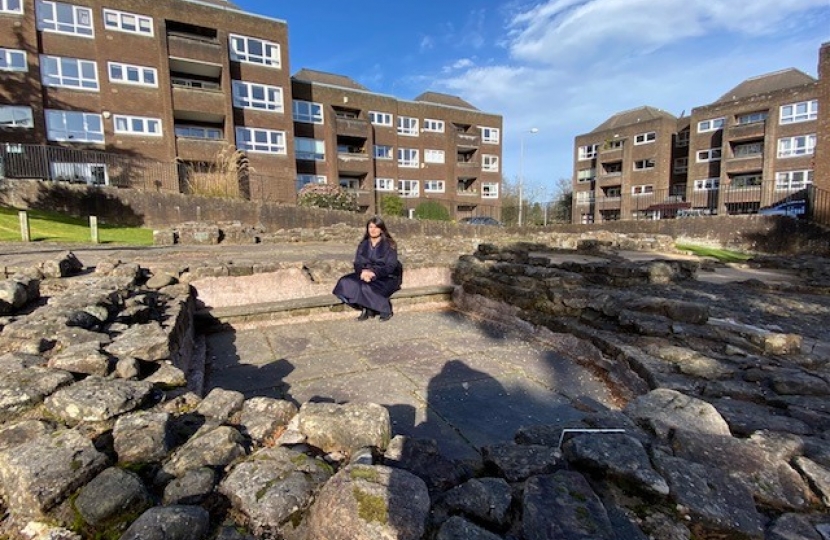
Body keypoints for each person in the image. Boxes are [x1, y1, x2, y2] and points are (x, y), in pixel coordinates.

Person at [333, 216, 403, 322]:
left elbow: (390, 266)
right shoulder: (363, 244)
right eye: (370, 227)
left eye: (376, 227)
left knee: (366, 287)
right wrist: (363, 272)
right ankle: (365, 308)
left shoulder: (390, 244)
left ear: (381, 229)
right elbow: (357, 263)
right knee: (345, 282)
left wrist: (373, 273)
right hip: (364, 273)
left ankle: (384, 309)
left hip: (386, 276)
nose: (373, 230)